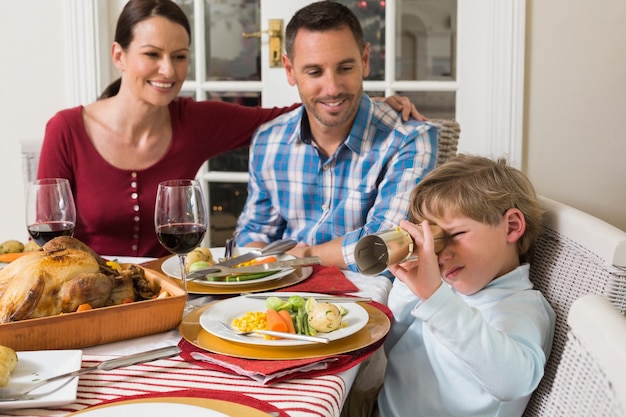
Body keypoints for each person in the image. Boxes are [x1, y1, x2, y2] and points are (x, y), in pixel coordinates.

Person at [37, 0, 423, 258]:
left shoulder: (195, 121)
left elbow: (304, 104)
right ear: (119, 56)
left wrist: (373, 103)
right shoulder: (67, 129)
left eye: (180, 56)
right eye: (152, 55)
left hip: (172, 293)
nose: (168, 71)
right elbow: (48, 241)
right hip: (89, 293)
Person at [234, 1, 438, 272]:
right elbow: (253, 236)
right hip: (281, 293)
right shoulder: (268, 140)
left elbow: (385, 247)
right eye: (314, 71)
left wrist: (303, 253)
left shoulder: (409, 139)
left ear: (365, 61)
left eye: (344, 68)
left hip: (368, 301)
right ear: (289, 70)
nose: (332, 88)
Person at [377, 154, 556, 417]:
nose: (441, 254)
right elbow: (393, 345)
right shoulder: (448, 291)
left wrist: (434, 296)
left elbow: (512, 382)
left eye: (457, 234)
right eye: (436, 240)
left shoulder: (520, 308)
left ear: (511, 226)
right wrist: (411, 283)